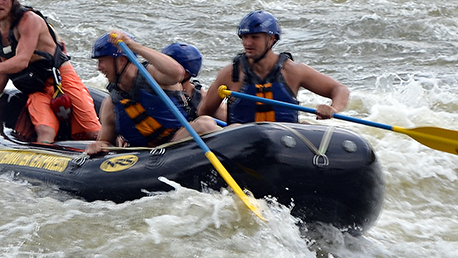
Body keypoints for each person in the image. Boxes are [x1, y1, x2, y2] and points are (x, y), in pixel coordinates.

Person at [0, 0, 100, 144]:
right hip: (35, 89)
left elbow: (22, 60)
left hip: (60, 79)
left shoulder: (30, 20)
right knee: (45, 132)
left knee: (93, 133)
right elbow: (2, 76)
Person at [197, 11, 349, 124]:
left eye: (254, 37)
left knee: (306, 126)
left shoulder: (292, 71)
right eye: (244, 37)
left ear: (272, 39)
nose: (247, 43)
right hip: (244, 146)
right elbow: (205, 112)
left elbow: (339, 89)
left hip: (286, 144)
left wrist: (333, 109)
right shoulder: (231, 74)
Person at [85, 31, 221, 155]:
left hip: (177, 142)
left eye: (102, 61)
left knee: (206, 124)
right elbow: (105, 142)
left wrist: (133, 46)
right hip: (143, 156)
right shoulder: (111, 103)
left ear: (121, 60)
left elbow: (177, 73)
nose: (99, 67)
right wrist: (99, 145)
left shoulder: (152, 76)